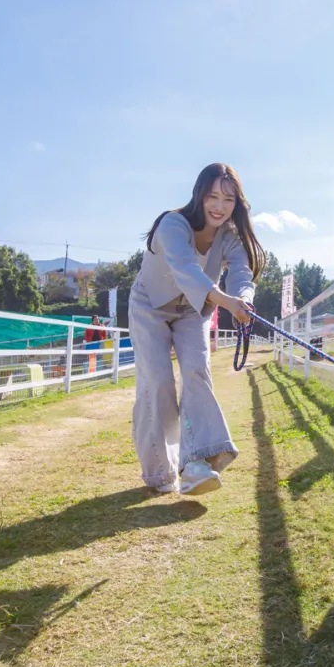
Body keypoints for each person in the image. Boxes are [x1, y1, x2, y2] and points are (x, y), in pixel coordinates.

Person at [128, 163, 266, 495]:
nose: (220, 206)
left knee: (196, 371)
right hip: (150, 305)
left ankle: (196, 464)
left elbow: (241, 275)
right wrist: (226, 301)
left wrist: (243, 299)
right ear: (199, 195)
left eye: (229, 199)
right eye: (213, 197)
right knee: (158, 380)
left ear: (237, 203)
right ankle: (161, 472)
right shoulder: (172, 224)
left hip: (193, 310)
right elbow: (186, 270)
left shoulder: (230, 237)